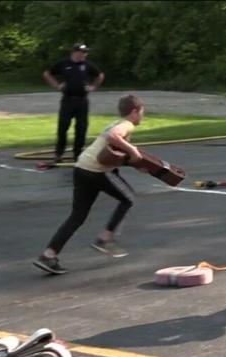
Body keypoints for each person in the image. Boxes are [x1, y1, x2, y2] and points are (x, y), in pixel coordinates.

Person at [33, 95, 144, 275]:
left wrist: (134, 163)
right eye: (142, 113)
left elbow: (110, 154)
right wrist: (133, 150)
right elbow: (113, 137)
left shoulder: (116, 123)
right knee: (128, 198)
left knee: (77, 216)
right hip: (96, 171)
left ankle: (48, 255)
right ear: (134, 112)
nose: (142, 117)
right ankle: (105, 239)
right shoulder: (126, 125)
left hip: (81, 167)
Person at [43, 43, 104, 165]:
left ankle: (78, 154)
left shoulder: (87, 65)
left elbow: (100, 75)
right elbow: (47, 73)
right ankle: (58, 154)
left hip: (82, 100)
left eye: (85, 52)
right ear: (75, 52)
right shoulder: (64, 64)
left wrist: (93, 87)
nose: (84, 54)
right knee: (63, 128)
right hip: (67, 100)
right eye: (82, 52)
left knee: (81, 128)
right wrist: (57, 85)